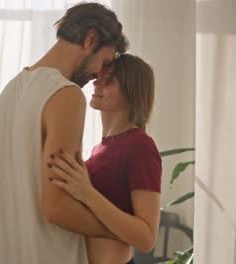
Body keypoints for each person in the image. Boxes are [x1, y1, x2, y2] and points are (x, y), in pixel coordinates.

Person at [0, 3, 128, 264]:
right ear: (91, 39)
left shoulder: (10, 91)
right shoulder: (66, 94)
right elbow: (58, 209)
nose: (100, 74)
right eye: (105, 62)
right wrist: (120, 230)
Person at [48, 54, 162, 264]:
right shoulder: (100, 149)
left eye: (108, 80)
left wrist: (87, 193)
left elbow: (146, 239)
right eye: (98, 76)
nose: (96, 82)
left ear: (130, 91)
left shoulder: (141, 146)